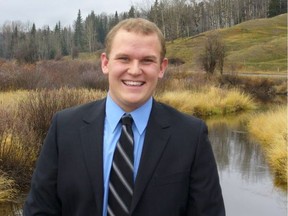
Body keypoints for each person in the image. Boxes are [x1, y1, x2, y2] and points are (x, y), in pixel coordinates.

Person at [23, 18, 225, 216]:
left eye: (147, 60)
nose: (135, 70)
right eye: (124, 59)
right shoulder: (65, 128)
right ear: (105, 63)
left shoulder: (191, 136)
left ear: (162, 67)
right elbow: (40, 209)